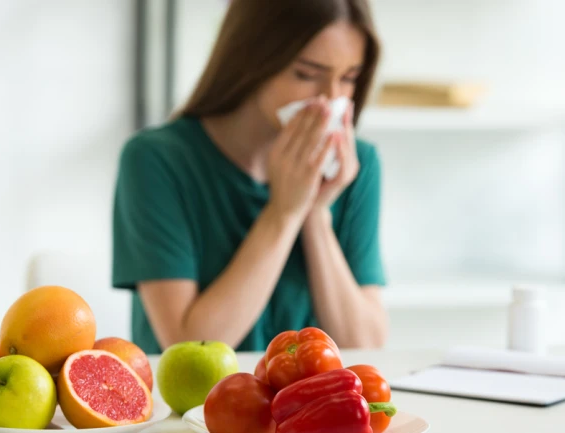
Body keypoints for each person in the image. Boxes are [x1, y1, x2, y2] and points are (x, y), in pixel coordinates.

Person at [112, 0, 388, 354]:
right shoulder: (156, 159)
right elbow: (190, 348)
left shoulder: (356, 165)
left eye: (348, 78)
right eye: (306, 75)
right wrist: (284, 212)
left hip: (306, 391)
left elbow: (365, 346)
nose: (330, 99)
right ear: (252, 60)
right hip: (194, 393)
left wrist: (316, 213)